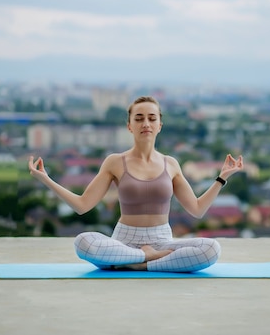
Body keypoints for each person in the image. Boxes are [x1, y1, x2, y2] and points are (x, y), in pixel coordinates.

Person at [28, 96, 244, 272]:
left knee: (211, 249)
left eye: (152, 118)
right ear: (129, 126)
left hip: (162, 241)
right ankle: (144, 258)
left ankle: (138, 264)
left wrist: (221, 177)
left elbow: (197, 210)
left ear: (160, 125)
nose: (146, 123)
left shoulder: (171, 164)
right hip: (123, 242)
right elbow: (82, 205)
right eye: (139, 118)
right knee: (83, 243)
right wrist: (46, 179)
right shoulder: (114, 162)